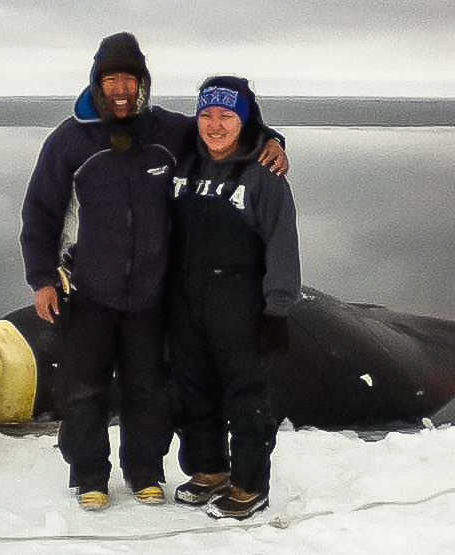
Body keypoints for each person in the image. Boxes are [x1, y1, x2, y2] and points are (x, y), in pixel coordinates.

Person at [20, 33, 288, 511]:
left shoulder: (166, 131)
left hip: (149, 296)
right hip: (90, 292)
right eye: (111, 78)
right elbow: (41, 212)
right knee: (84, 390)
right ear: (98, 83)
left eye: (129, 78)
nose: (121, 88)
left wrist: (271, 140)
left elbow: (224, 130)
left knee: (150, 389)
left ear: (142, 83)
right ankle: (89, 477)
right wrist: (41, 278)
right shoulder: (69, 140)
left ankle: (144, 471)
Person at [167, 76, 301, 520]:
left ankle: (248, 485)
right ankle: (209, 470)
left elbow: (282, 241)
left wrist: (277, 309)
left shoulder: (264, 175)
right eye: (206, 114)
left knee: (246, 395)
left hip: (239, 299)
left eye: (227, 115)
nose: (215, 125)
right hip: (185, 297)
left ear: (245, 121)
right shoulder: (183, 164)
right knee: (193, 389)